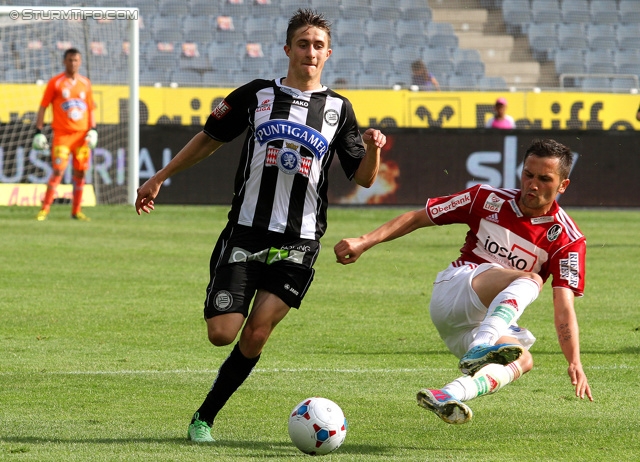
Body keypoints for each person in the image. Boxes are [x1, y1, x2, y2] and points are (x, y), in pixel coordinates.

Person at [135, 9, 386, 442]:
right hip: (246, 232)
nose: (310, 51)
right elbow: (208, 140)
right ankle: (224, 312)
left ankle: (204, 417)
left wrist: (372, 148)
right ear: (288, 49)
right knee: (222, 333)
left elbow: (362, 177)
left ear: (329, 53)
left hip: (300, 241)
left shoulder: (338, 109)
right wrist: (159, 177)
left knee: (256, 332)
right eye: (303, 44)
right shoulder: (256, 95)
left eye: (318, 45)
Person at [334, 138, 593, 424]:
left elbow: (564, 307)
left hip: (471, 326)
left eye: (544, 179)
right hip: (456, 290)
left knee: (523, 359)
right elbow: (418, 218)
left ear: (562, 186)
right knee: (530, 278)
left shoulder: (567, 239)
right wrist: (364, 241)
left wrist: (574, 361)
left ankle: (448, 394)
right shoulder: (486, 198)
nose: (532, 185)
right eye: (528, 174)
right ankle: (482, 345)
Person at [33, 48, 97, 221]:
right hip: (62, 135)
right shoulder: (56, 83)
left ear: (80, 62)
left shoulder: (86, 83)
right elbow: (43, 106)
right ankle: (45, 209)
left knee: (81, 173)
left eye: (76, 60)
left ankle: (76, 211)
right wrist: (38, 131)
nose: (73, 63)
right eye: (70, 60)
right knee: (58, 171)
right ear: (64, 61)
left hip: (82, 137)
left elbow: (91, 109)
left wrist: (93, 129)